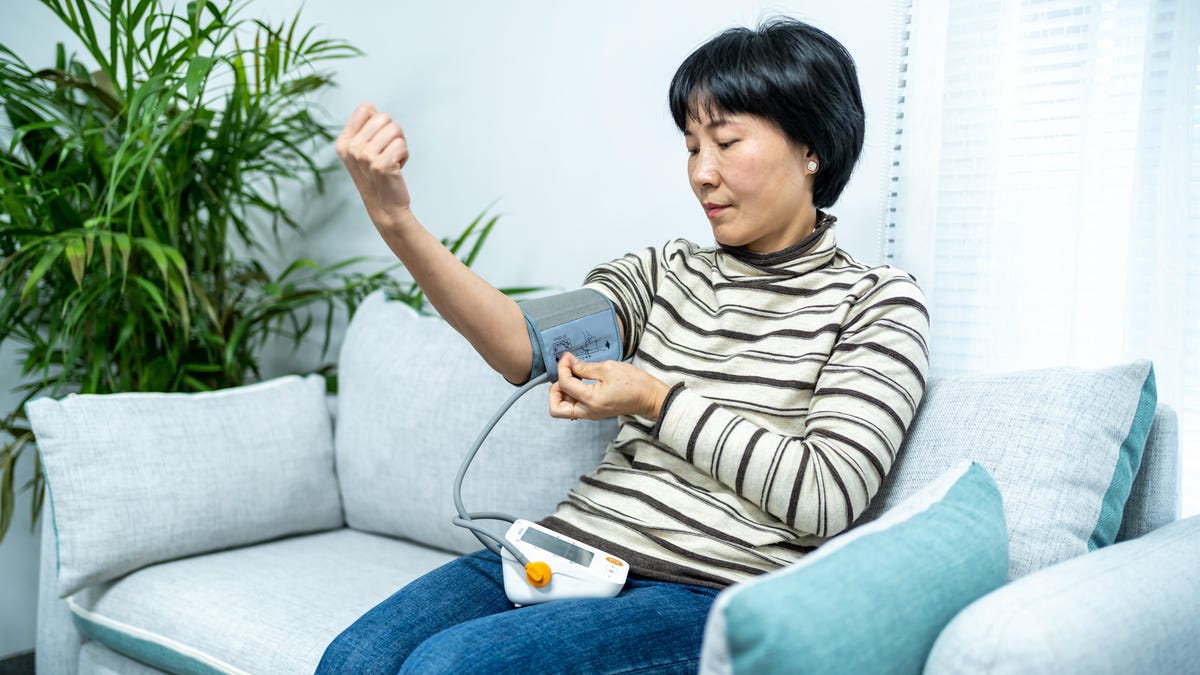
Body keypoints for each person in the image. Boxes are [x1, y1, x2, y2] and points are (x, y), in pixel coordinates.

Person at [317, 17, 929, 674]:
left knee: (450, 667)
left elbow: (825, 497)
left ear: (813, 146)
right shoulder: (667, 269)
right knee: (352, 660)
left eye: (726, 142)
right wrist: (396, 220)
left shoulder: (878, 302)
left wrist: (658, 398)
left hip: (703, 591)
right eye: (692, 147)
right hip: (569, 551)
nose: (702, 173)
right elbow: (521, 345)